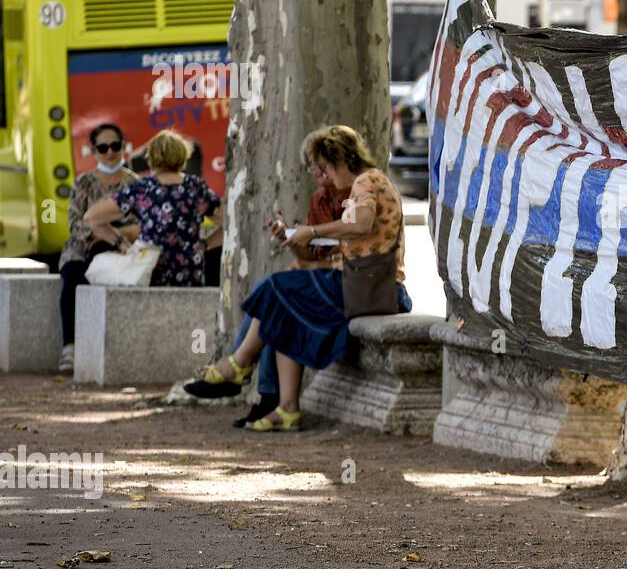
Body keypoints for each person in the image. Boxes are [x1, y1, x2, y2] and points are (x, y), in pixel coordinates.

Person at [186, 125, 410, 432]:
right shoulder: (354, 187)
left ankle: (238, 364)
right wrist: (298, 237)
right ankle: (286, 407)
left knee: (275, 289)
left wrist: (314, 231)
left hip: (376, 289)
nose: (325, 178)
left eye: (325, 169)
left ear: (338, 159)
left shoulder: (366, 180)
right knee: (285, 307)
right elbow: (333, 246)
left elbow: (361, 222)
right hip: (365, 285)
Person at [84, 130, 222, 286]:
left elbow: (92, 218)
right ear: (183, 156)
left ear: (151, 157)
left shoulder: (142, 189)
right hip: (189, 273)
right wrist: (205, 244)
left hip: (151, 272)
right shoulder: (197, 188)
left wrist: (122, 245)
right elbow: (230, 223)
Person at [56, 123, 139, 373]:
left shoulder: (136, 184)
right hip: (81, 249)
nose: (110, 152)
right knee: (72, 276)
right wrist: (106, 231)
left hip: (120, 250)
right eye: (103, 147)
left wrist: (110, 233)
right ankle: (69, 346)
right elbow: (75, 225)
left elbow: (140, 227)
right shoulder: (83, 183)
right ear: (94, 151)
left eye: (116, 146)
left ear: (123, 147)